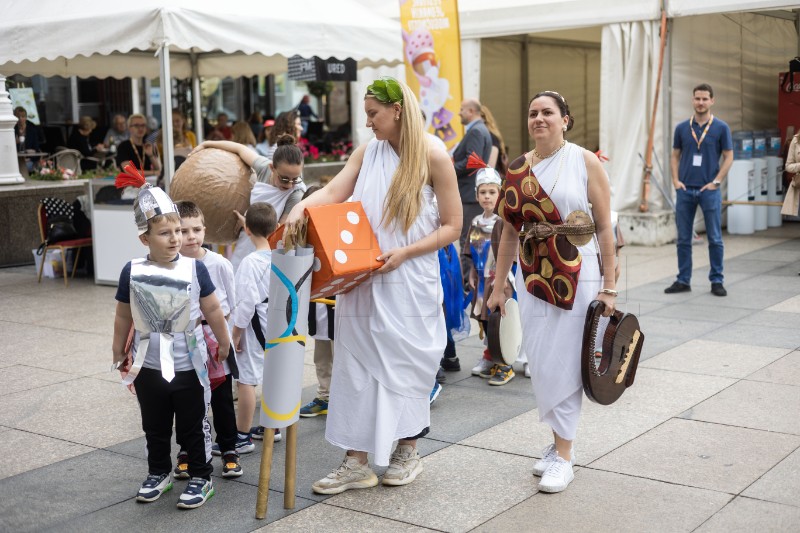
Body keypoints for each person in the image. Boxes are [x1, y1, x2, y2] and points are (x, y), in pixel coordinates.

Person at [284, 76, 462, 494]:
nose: (367, 123)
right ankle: (355, 461)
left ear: (397, 111)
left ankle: (407, 450)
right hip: (363, 279)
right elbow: (331, 190)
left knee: (406, 367)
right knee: (356, 368)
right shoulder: (368, 152)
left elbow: (453, 226)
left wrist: (406, 252)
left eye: (372, 114)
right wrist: (299, 210)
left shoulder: (434, 155)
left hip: (409, 278)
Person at [487, 91, 617, 493]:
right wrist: (497, 283)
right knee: (541, 361)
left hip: (579, 271)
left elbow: (605, 226)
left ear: (565, 120)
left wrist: (611, 285)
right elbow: (510, 229)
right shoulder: (517, 168)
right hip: (534, 276)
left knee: (565, 359)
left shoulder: (584, 161)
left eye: (548, 113)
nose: (539, 119)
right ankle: (557, 443)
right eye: (532, 113)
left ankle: (564, 455)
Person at [111, 168, 231, 509]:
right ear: (144, 239)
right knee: (155, 424)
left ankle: (200, 476)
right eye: (165, 233)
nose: (176, 238)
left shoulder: (196, 269)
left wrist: (223, 342)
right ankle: (159, 471)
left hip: (188, 363)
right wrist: (118, 347)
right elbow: (122, 313)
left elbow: (213, 309)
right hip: (147, 363)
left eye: (177, 231)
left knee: (194, 424)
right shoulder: (131, 270)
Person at [172, 201, 242, 480]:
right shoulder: (171, 264)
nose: (191, 236)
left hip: (215, 338)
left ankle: (229, 450)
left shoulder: (219, 264)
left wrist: (233, 336)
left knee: (222, 399)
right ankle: (187, 451)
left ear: (205, 229)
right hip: (184, 340)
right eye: (183, 230)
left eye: (196, 229)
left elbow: (232, 304)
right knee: (185, 400)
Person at [189, 134, 306, 271]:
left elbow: (279, 234)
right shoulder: (263, 168)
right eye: (284, 179)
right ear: (272, 168)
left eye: (295, 179)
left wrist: (247, 223)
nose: (290, 185)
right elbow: (239, 149)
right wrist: (207, 143)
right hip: (246, 240)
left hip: (269, 255)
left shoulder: (296, 194)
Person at [665, 84, 733, 297]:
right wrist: (675, 180)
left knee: (715, 238)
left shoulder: (721, 128)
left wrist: (717, 181)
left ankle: (717, 280)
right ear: (692, 100)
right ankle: (683, 280)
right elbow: (675, 155)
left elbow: (729, 156)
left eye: (705, 99)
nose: (701, 102)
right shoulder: (682, 128)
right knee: (683, 239)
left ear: (712, 101)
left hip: (709, 191)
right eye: (697, 99)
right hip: (685, 190)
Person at [230, 202, 282, 452]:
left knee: (246, 380)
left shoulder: (250, 262)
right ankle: (274, 426)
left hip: (254, 327)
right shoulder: (282, 256)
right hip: (278, 324)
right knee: (273, 374)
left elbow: (246, 303)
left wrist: (236, 333)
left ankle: (241, 437)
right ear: (276, 228)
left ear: (247, 230)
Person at [464, 154, 513, 385]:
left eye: (492, 192)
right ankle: (489, 356)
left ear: (500, 193)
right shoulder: (475, 222)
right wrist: (472, 273)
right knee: (484, 320)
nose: (487, 197)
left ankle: (505, 362)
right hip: (482, 282)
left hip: (499, 280)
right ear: (476, 195)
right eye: (483, 192)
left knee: (499, 320)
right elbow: (471, 250)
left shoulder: (504, 222)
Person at [299, 185, 334, 419]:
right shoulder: (303, 238)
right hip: (316, 304)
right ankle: (325, 396)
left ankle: (344, 397)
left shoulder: (336, 233)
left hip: (336, 305)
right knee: (321, 354)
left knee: (341, 353)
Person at [452, 98, 493, 257]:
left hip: (469, 196)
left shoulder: (476, 131)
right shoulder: (480, 129)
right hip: (472, 195)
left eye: (462, 109)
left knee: (470, 243)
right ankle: (476, 280)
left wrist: (449, 170)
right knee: (476, 242)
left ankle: (472, 282)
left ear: (470, 111)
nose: (459, 113)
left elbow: (473, 161)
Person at [481, 105, 508, 175]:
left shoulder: (491, 137)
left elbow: (490, 167)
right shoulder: (490, 135)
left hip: (491, 180)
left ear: (484, 118)